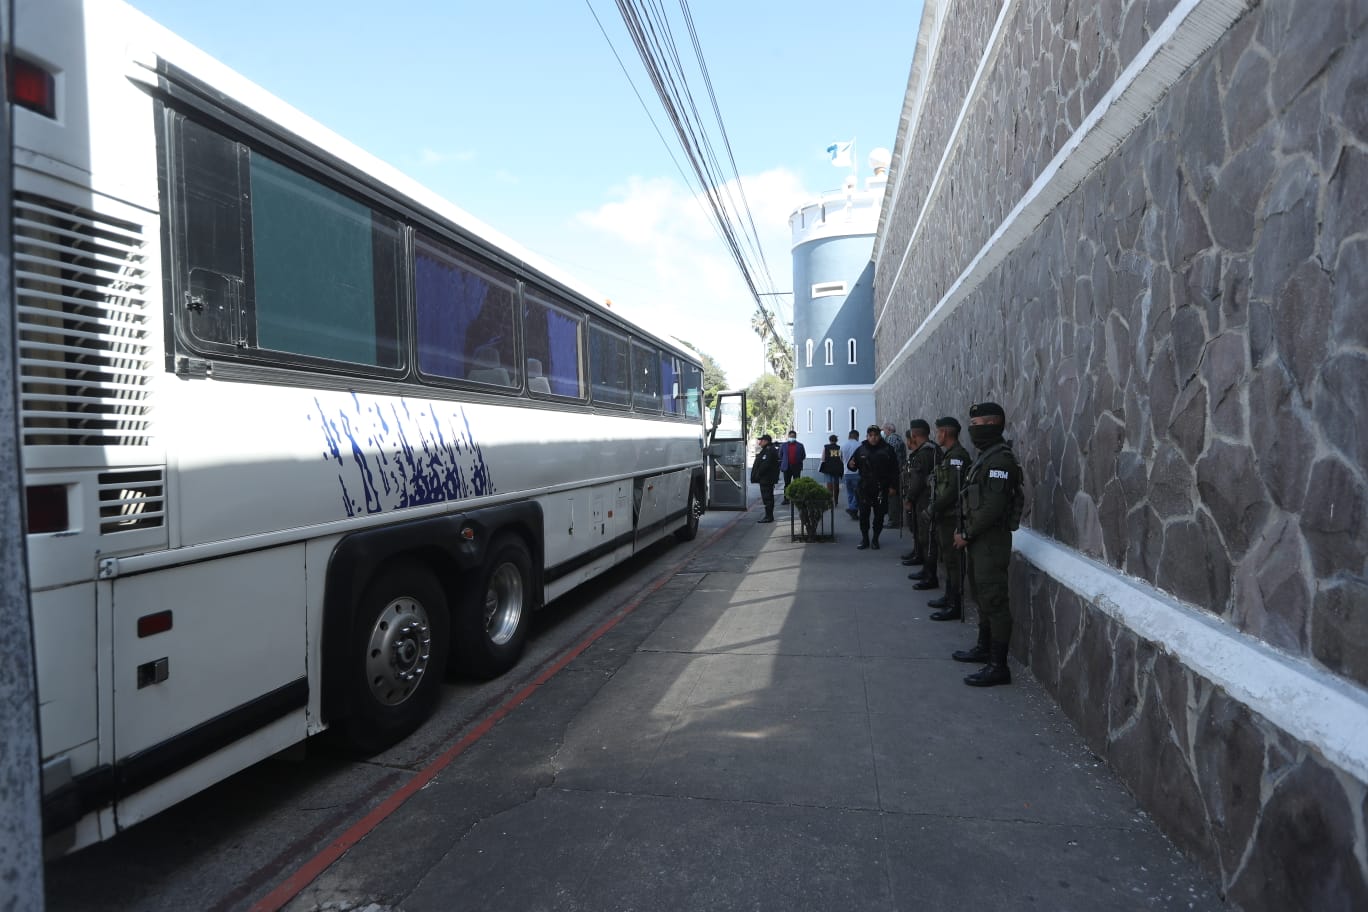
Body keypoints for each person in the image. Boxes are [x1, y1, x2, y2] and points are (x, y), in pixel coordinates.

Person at [954, 401, 1023, 687]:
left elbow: (993, 507)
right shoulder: (986, 457)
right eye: (972, 425)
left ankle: (999, 666)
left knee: (994, 600)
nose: (973, 430)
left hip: (991, 542)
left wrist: (967, 533)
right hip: (980, 540)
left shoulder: (1000, 461)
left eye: (978, 425)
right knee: (982, 595)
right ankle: (984, 649)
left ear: (993, 424)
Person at [914, 417, 970, 623]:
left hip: (951, 517)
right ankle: (949, 597)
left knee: (954, 562)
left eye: (938, 432)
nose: (936, 435)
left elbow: (952, 492)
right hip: (944, 517)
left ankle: (954, 604)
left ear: (944, 433)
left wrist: (932, 508)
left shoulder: (958, 457)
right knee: (947, 559)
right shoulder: (949, 456)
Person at [848, 424, 899, 550]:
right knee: (864, 515)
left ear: (879, 436)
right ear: (867, 436)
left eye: (876, 435)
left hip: (881, 487)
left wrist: (893, 486)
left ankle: (875, 539)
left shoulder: (888, 449)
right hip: (865, 487)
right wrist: (851, 465)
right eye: (871, 435)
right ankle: (865, 539)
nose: (873, 438)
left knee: (879, 515)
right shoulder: (861, 449)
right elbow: (852, 465)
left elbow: (894, 470)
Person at [900, 420, 940, 567]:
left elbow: (918, 479)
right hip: (925, 497)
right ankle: (920, 557)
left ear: (914, 434)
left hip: (924, 498)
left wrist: (909, 498)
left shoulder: (924, 453)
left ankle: (928, 571)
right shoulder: (932, 449)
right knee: (920, 532)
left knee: (925, 535)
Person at [750, 433, 780, 523]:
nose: (759, 443)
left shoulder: (769, 451)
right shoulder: (767, 450)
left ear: (766, 441)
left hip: (767, 479)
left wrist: (758, 474)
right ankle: (768, 515)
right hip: (765, 479)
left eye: (761, 441)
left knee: (767, 498)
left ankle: (769, 516)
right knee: (767, 498)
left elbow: (765, 465)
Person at [882, 422, 906, 530]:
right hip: (899, 470)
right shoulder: (899, 438)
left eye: (884, 430)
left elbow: (889, 456)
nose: (884, 432)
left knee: (893, 497)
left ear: (889, 430)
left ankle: (893, 520)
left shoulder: (891, 439)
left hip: (893, 472)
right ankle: (896, 519)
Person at [778, 430, 807, 504]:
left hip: (796, 467)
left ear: (795, 437)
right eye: (791, 436)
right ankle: (786, 499)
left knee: (797, 483)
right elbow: (780, 455)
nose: (792, 438)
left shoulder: (800, 445)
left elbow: (803, 456)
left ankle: (796, 498)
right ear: (788, 437)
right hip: (787, 467)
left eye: (793, 436)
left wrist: (797, 460)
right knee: (787, 483)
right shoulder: (784, 445)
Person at [840, 429, 862, 519]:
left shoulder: (843, 446)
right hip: (857, 472)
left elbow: (840, 458)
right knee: (858, 492)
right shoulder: (860, 445)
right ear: (857, 436)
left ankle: (852, 511)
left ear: (849, 436)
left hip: (847, 472)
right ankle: (853, 508)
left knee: (850, 493)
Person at [818, 434, 845, 507]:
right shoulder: (839, 448)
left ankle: (829, 500)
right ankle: (836, 500)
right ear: (836, 441)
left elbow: (823, 458)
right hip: (836, 468)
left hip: (828, 468)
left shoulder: (826, 447)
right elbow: (841, 459)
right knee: (836, 483)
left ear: (829, 440)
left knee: (829, 484)